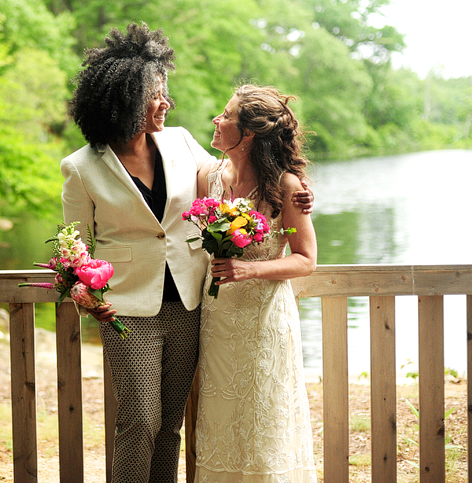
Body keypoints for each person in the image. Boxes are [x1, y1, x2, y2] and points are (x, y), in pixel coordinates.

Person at [61, 24, 313, 483]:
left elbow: (232, 174)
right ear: (127, 99)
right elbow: (72, 242)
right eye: (157, 94)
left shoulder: (178, 141)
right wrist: (83, 291)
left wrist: (295, 185)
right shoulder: (81, 167)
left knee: (170, 426)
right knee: (139, 420)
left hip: (191, 306)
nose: (166, 103)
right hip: (126, 309)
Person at [192, 83, 318, 482]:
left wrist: (250, 270)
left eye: (226, 116)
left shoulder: (286, 188)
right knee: (223, 418)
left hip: (266, 323)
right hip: (219, 321)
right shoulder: (207, 177)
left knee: (266, 420)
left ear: (247, 134)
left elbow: (306, 259)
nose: (216, 119)